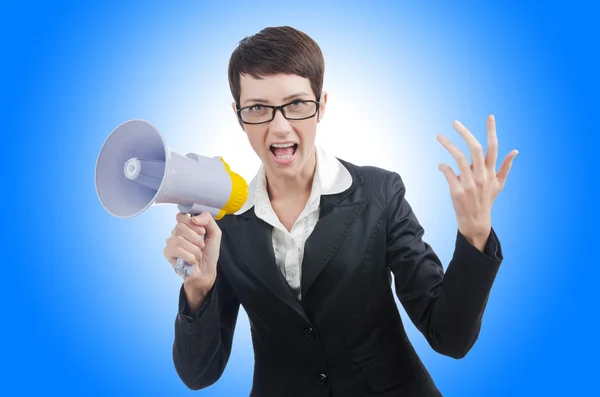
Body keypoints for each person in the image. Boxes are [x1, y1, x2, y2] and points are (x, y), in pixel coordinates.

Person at [164, 26, 518, 397]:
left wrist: (475, 233)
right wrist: (198, 289)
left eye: (297, 104)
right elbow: (199, 375)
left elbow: (450, 338)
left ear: (322, 105)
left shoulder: (380, 194)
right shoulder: (225, 225)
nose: (280, 126)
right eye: (258, 108)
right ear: (239, 115)